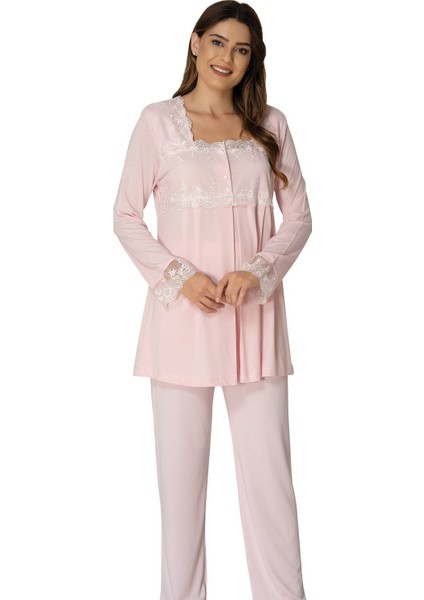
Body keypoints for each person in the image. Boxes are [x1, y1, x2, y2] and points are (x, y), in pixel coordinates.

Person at [113, 1, 312, 598]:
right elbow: (125, 216)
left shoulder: (270, 125)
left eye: (242, 49)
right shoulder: (157, 122)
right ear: (195, 43)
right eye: (219, 42)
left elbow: (299, 218)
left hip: (256, 325)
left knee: (271, 488)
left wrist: (258, 269)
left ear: (253, 60)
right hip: (181, 326)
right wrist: (180, 276)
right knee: (180, 496)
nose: (228, 57)